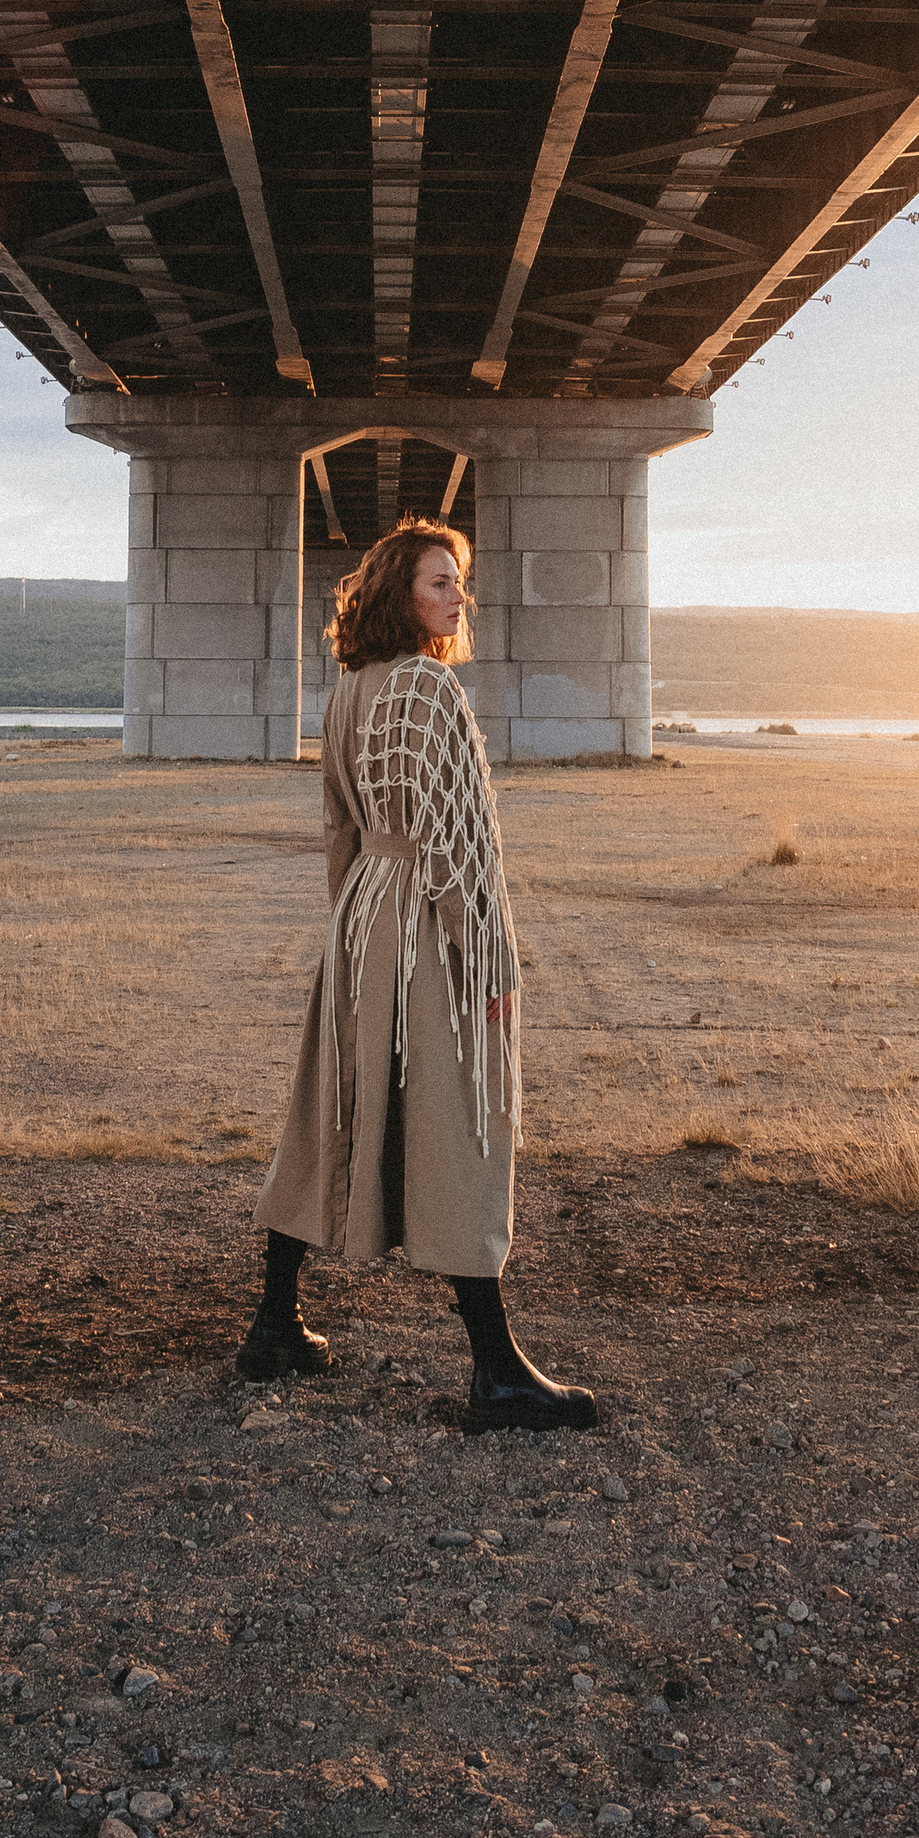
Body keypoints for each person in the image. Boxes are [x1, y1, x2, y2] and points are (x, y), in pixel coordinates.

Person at [239, 515, 595, 1433]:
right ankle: (495, 1370)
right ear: (403, 592)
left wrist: (347, 926)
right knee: (463, 1118)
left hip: (362, 911)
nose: (457, 597)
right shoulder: (431, 689)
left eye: (459, 583)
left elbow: (338, 829)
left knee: (332, 1112)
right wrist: (487, 956)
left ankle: (274, 1322)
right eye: (441, 581)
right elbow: (458, 841)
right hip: (422, 923)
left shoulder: (347, 692)